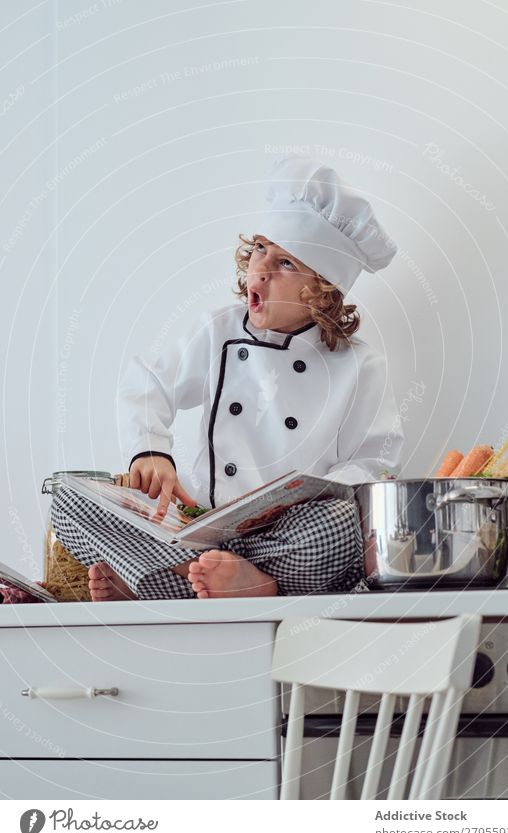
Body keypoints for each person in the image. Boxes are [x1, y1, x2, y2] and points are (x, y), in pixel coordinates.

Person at [51, 155, 404, 601]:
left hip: (286, 538)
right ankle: (196, 575)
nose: (260, 269)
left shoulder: (360, 366)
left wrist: (305, 498)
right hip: (197, 525)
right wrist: (152, 452)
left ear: (324, 290)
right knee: (71, 499)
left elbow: (376, 465)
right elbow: (147, 384)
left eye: (285, 264)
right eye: (260, 250)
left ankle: (177, 582)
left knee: (337, 528)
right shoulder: (216, 329)